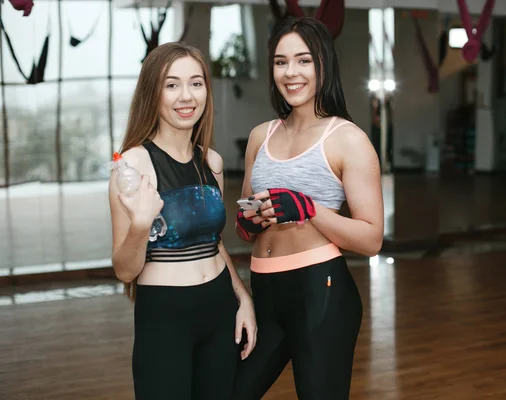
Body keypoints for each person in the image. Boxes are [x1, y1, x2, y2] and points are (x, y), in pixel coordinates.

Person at [232, 17, 384, 400]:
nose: (290, 72)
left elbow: (371, 239)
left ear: (322, 65)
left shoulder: (347, 139)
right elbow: (247, 227)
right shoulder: (260, 136)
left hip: (321, 293)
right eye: (281, 62)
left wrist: (307, 208)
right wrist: (249, 221)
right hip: (264, 290)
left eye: (303, 60)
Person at [108, 42, 256, 400]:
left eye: (196, 83)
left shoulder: (213, 163)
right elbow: (125, 271)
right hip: (166, 316)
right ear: (152, 93)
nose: (185, 96)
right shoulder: (133, 167)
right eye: (171, 84)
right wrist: (141, 226)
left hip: (220, 309)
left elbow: (214, 240)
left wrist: (243, 298)